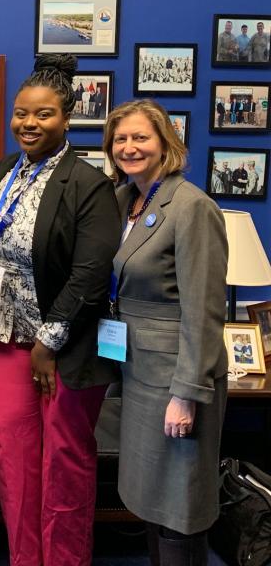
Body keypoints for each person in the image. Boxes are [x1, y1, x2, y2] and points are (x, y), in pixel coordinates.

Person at [0, 54, 120, 566]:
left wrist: (47, 344)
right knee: (11, 461)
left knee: (63, 464)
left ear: (67, 117)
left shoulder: (88, 184)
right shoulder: (2, 173)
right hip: (8, 341)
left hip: (65, 351)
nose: (28, 124)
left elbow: (90, 273)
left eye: (43, 115)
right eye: (21, 114)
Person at [104, 98, 227, 565]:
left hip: (176, 376)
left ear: (164, 144)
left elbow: (204, 308)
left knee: (179, 505)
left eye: (141, 137)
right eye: (121, 139)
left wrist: (187, 393)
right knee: (153, 499)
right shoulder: (123, 201)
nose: (130, 147)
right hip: (138, 372)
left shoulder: (192, 206)